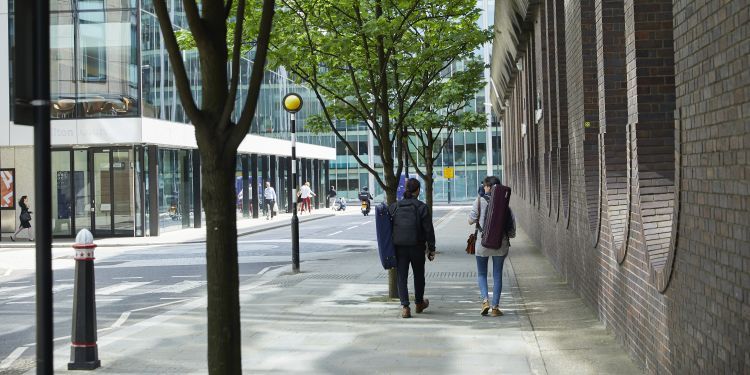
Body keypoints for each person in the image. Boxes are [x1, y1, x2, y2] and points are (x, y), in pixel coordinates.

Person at [468, 176, 515, 317]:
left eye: (485, 185)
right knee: (497, 275)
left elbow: (470, 220)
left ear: (489, 187)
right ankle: (495, 307)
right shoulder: (506, 205)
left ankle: (485, 301)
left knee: (482, 274)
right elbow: (512, 230)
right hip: (500, 244)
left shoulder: (478, 201)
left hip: (482, 244)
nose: (483, 187)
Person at [389, 178, 436, 318]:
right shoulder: (421, 207)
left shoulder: (394, 207)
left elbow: (388, 229)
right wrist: (431, 248)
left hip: (399, 247)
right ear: (418, 190)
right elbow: (428, 230)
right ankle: (419, 303)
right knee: (419, 276)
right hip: (417, 247)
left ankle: (405, 307)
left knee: (401, 277)